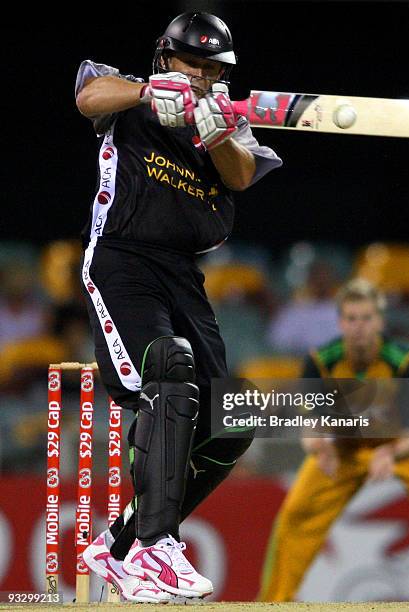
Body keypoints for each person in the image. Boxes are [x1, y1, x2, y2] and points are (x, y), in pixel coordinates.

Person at [75, 12, 282, 603]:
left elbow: (240, 177)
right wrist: (147, 92)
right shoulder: (126, 92)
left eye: (213, 68)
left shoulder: (227, 121)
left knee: (233, 412)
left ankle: (119, 545)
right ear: (165, 57)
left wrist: (217, 133)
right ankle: (154, 546)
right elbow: (89, 96)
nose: (202, 75)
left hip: (183, 276)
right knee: (168, 364)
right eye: (192, 63)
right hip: (121, 261)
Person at [259, 278, 409, 602]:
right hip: (347, 445)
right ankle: (272, 604)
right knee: (296, 515)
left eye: (366, 318)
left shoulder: (405, 362)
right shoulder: (321, 362)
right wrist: (316, 446)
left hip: (406, 444)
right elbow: (310, 422)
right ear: (340, 322)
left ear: (380, 322)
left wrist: (391, 454)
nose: (359, 327)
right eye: (351, 319)